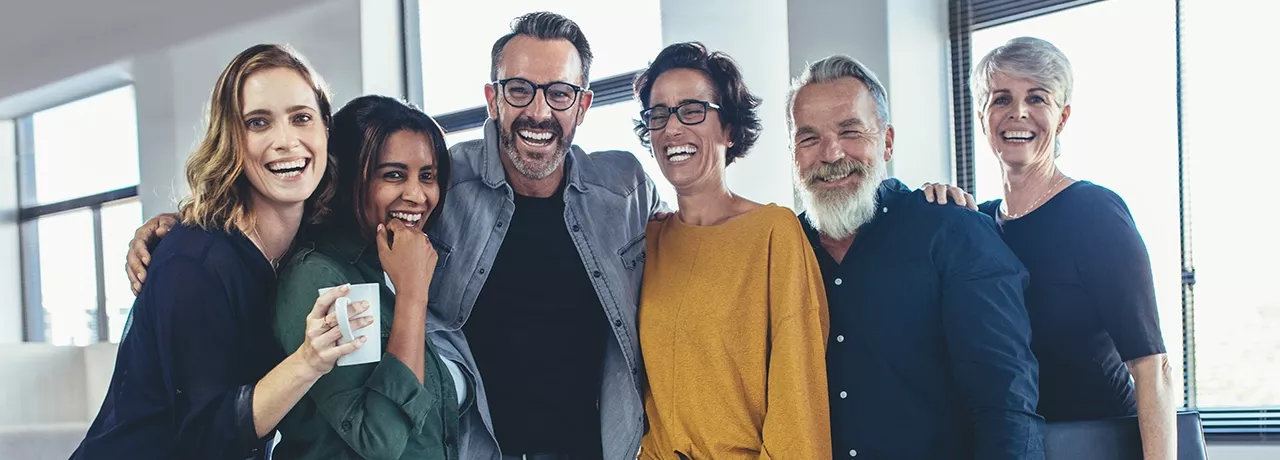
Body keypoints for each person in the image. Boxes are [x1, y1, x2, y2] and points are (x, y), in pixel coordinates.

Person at [125, 11, 663, 460]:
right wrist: (183, 227)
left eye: (561, 92)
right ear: (493, 98)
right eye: (519, 89)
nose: (539, 110)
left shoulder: (624, 187)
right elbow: (314, 186)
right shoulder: (445, 190)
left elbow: (686, 234)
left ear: (584, 104)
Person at [76, 44, 370, 459]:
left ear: (325, 128)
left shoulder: (311, 240)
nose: (286, 141)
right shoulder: (192, 262)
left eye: (301, 117)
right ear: (231, 140)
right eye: (258, 122)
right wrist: (308, 361)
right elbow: (205, 436)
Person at [921, 37, 1178, 459]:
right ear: (983, 117)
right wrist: (934, 207)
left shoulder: (1094, 212)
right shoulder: (976, 224)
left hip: (1101, 445)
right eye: (1000, 98)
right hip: (1017, 448)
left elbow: (1153, 368)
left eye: (1036, 98)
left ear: (1062, 117)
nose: (1017, 112)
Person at [787, 54, 1045, 459]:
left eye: (850, 131)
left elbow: (1005, 403)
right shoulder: (782, 251)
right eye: (808, 138)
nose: (831, 153)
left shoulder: (953, 232)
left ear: (887, 141)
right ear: (793, 154)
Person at [630, 42, 831, 459]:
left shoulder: (773, 232)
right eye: (659, 114)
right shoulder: (647, 241)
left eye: (692, 110)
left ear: (729, 130)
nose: (672, 128)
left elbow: (800, 399)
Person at [270, 95, 466, 459]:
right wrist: (411, 295)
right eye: (393, 174)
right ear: (347, 179)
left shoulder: (400, 261)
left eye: (428, 176)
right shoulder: (322, 276)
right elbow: (379, 438)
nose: (416, 194)